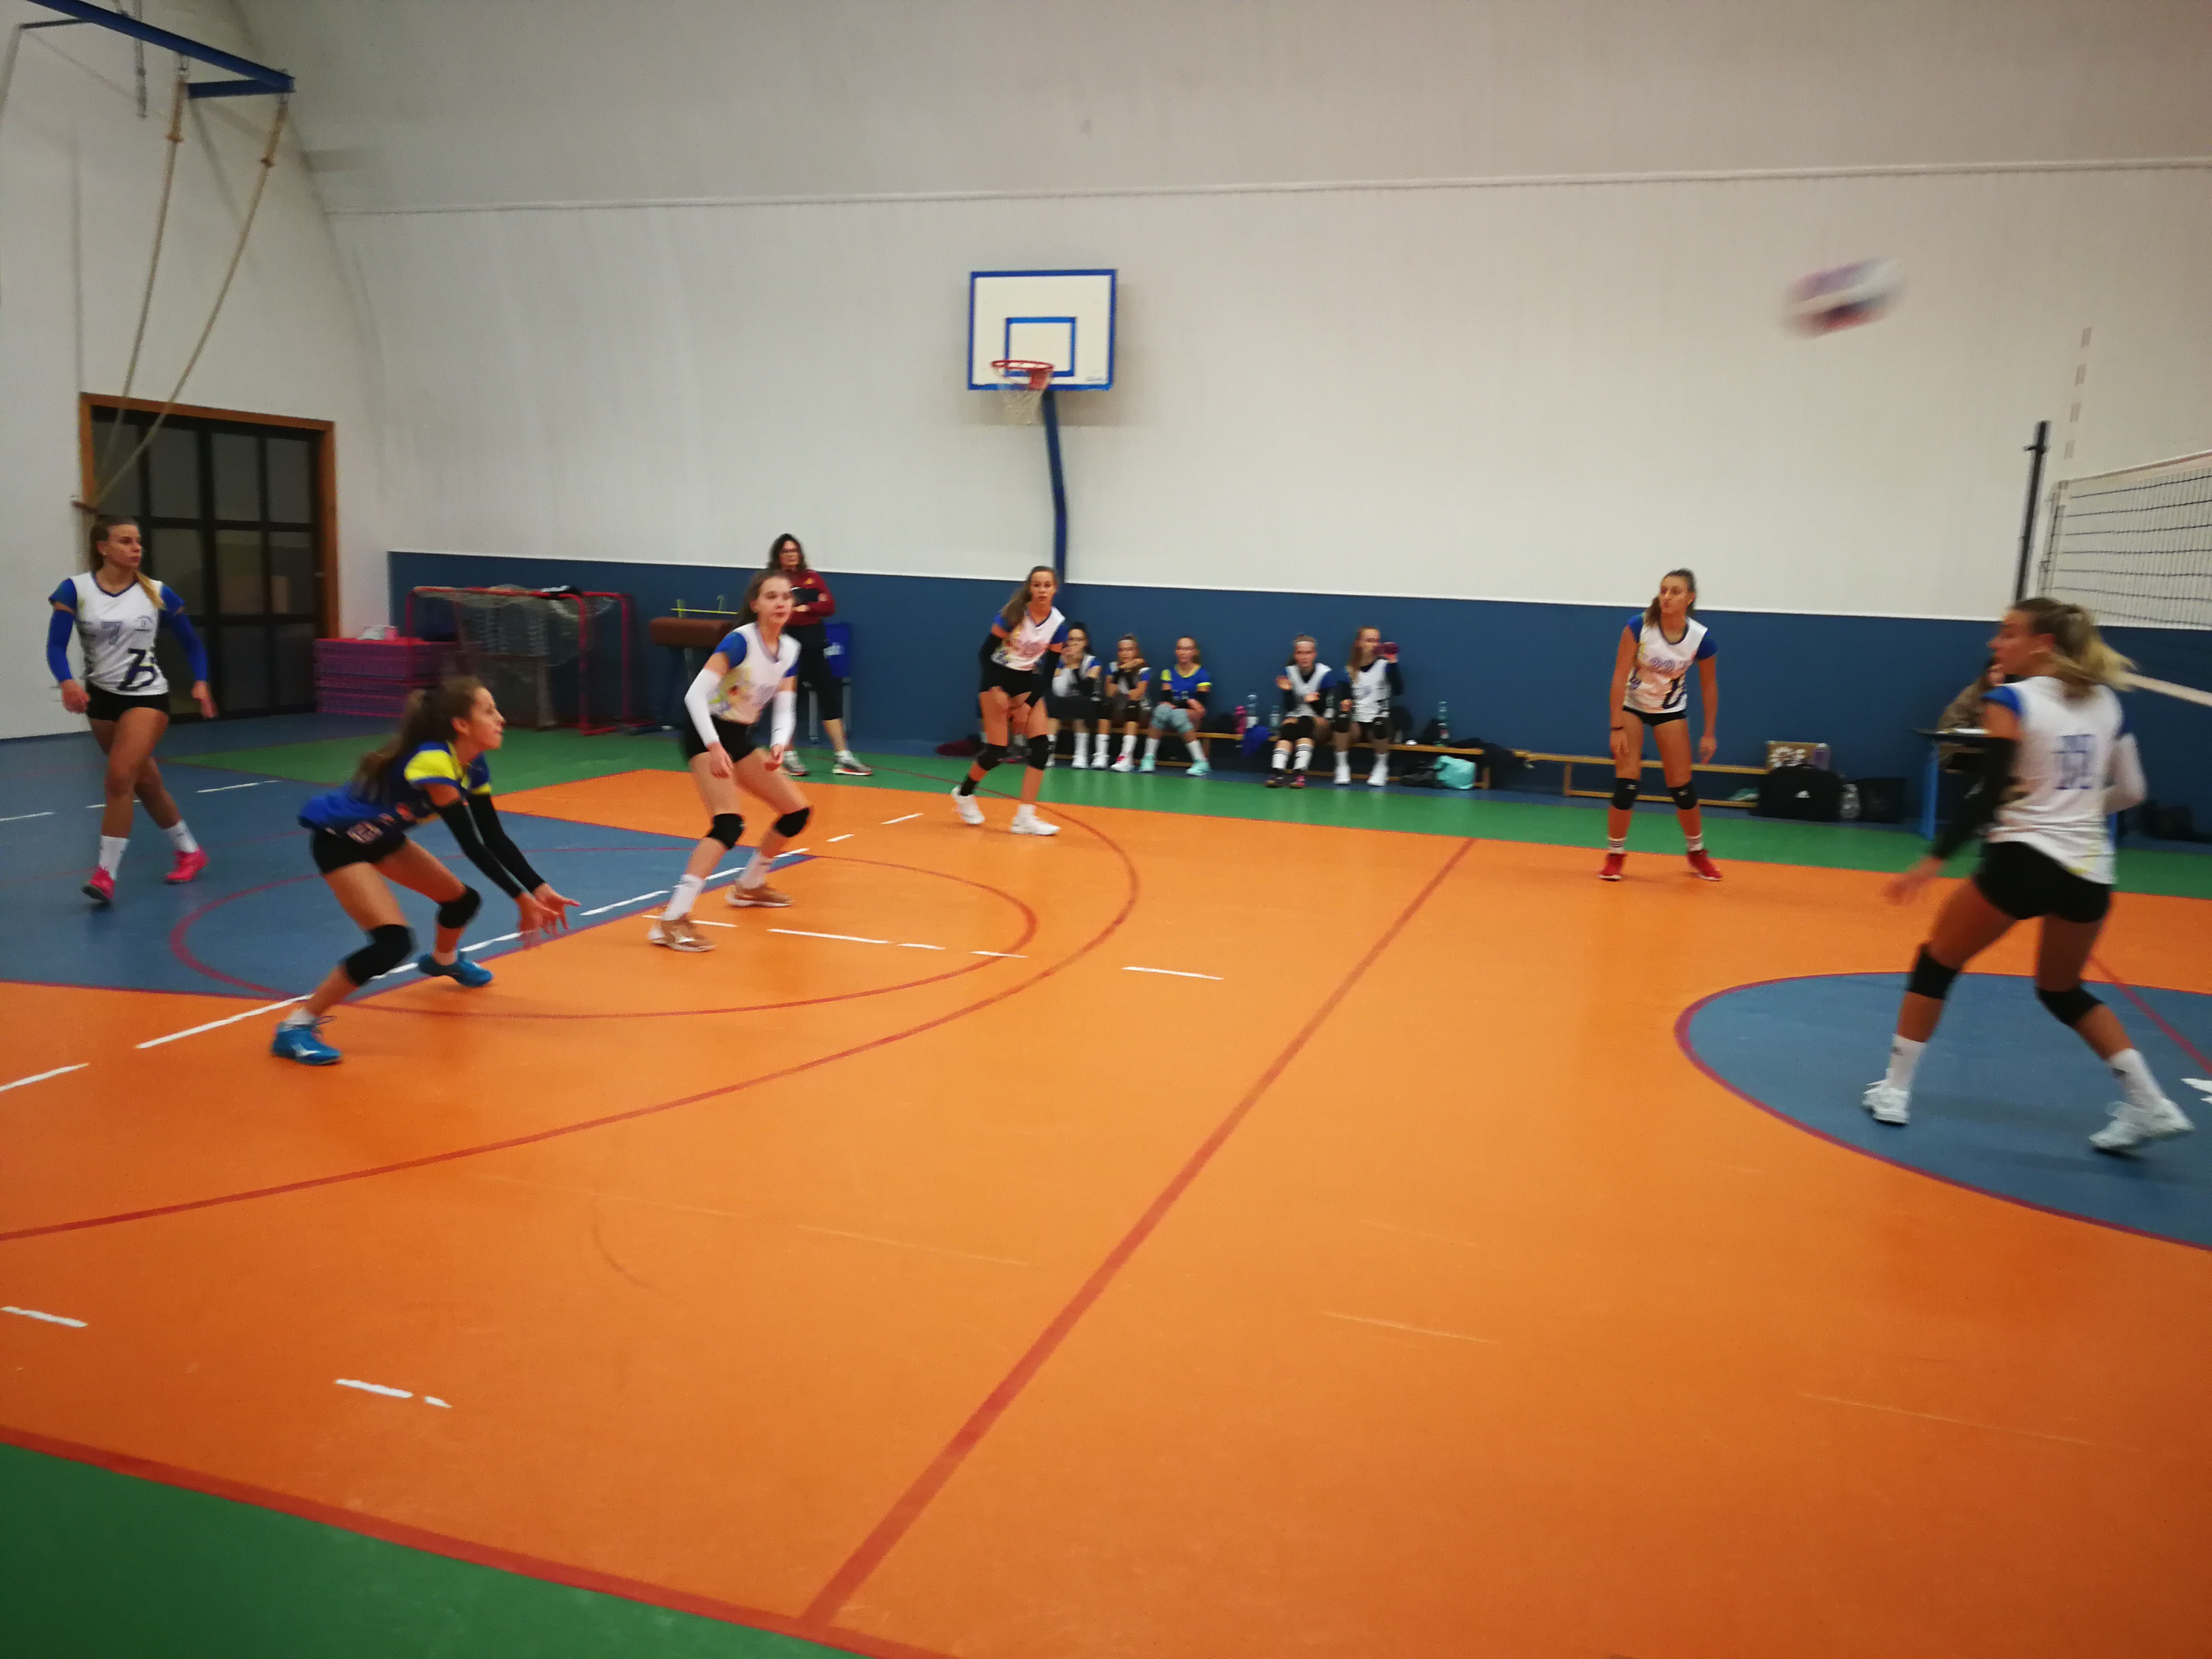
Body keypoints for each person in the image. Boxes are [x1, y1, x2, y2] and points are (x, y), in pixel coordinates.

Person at [1865, 598, 2190, 1154]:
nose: (1995, 643)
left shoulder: (2010, 700)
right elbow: (2134, 791)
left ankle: (1893, 1092)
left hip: (2024, 860)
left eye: (2008, 633)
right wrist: (2078, 811)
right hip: (2090, 872)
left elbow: (1987, 794)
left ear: (2044, 644)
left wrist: (1932, 860)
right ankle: (2149, 1103)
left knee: (1937, 963)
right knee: (2061, 989)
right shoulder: (2107, 702)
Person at [273, 678, 577, 1064]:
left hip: (382, 837)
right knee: (392, 944)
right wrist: (521, 899)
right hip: (340, 841)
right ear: (461, 725)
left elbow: (494, 837)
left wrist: (539, 888)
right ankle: (297, 1026)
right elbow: (471, 844)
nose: (501, 719)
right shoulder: (433, 762)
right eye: (489, 711)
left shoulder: (473, 765)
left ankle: (443, 960)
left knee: (462, 902)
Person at [47, 513, 216, 904]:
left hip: (147, 697)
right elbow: (56, 645)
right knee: (146, 783)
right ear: (103, 548)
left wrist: (201, 681)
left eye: (138, 541)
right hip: (101, 698)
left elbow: (192, 644)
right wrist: (67, 681)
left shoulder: (157, 592)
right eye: (125, 541)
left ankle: (105, 875)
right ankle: (190, 851)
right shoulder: (75, 590)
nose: (136, 548)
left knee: (118, 779)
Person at [650, 568, 816, 951]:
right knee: (728, 824)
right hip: (705, 732)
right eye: (771, 597)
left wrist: (779, 743)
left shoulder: (790, 650)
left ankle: (749, 885)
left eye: (786, 597)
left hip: (739, 737)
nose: (780, 603)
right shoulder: (740, 642)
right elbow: (695, 696)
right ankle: (671, 919)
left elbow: (785, 704)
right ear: (756, 604)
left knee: (796, 812)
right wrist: (713, 746)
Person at [1602, 569, 1721, 882]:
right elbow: (1619, 676)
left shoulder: (1700, 638)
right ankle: (1615, 854)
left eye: (1675, 592)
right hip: (1633, 705)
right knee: (1627, 785)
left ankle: (1697, 851)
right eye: (1663, 590)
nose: (1666, 597)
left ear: (1689, 598)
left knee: (1682, 788)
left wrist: (1709, 733)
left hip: (1669, 709)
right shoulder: (1639, 627)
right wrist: (1616, 727)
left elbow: (1709, 686)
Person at [952, 566, 1066, 835]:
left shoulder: (1058, 625)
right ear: (1030, 588)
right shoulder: (1013, 615)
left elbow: (1048, 673)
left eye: (1047, 585)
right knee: (997, 751)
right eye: (1037, 585)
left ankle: (1025, 818)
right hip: (996, 676)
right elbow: (984, 655)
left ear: (1054, 589)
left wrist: (1028, 705)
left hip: (1026, 680)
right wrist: (996, 689)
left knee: (1041, 748)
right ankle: (964, 793)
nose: (1042, 590)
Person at [765, 534, 870, 778]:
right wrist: (800, 606)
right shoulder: (772, 581)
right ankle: (786, 756)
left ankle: (843, 757)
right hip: (785, 644)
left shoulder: (812, 577)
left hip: (813, 644)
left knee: (829, 697)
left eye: (795, 550)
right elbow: (778, 612)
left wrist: (806, 606)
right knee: (788, 700)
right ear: (778, 556)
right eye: (786, 551)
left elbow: (829, 606)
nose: (792, 555)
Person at [1332, 627, 1401, 787]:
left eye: (1377, 641)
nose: (1374, 644)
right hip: (1357, 722)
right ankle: (1342, 766)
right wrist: (1345, 704)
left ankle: (1381, 767)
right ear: (1359, 643)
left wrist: (1393, 662)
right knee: (1341, 719)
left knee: (1380, 724)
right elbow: (1343, 696)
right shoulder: (1349, 670)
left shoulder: (1385, 666)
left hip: (1378, 720)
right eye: (1369, 641)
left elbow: (1399, 690)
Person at [1268, 635, 1332, 788]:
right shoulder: (1289, 672)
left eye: (1308, 653)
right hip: (1296, 716)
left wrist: (1313, 701)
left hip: (1320, 719)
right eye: (1300, 653)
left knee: (1305, 724)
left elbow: (1323, 710)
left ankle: (1299, 774)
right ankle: (1277, 772)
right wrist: (1288, 692)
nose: (1305, 657)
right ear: (1295, 655)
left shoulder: (1324, 673)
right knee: (1288, 729)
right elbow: (1290, 708)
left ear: (1315, 654)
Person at [1144, 636, 1212, 777]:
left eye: (1188, 649)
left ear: (1195, 652)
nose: (1184, 653)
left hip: (1193, 718)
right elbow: (1166, 700)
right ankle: (1149, 758)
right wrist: (1187, 700)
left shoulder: (1202, 674)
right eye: (1180, 649)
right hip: (1170, 714)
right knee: (1160, 710)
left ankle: (1201, 762)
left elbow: (1200, 706)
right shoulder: (1168, 672)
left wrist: (1181, 702)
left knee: (1178, 715)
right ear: (1176, 651)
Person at [1045, 622, 1107, 767]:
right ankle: (1048, 754)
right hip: (1066, 701)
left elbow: (1086, 690)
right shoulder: (1060, 661)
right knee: (1053, 708)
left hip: (1090, 702)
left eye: (1079, 640)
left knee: (1079, 704)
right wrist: (1067, 666)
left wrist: (1076, 667)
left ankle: (1081, 754)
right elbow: (1059, 691)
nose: (1074, 644)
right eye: (1071, 639)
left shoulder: (1093, 662)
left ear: (1086, 642)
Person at [1937, 657, 2006, 772]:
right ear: (1986, 673)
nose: (2000, 676)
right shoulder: (1974, 694)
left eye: (2004, 672)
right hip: (1957, 751)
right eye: (1995, 671)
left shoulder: (2006, 693)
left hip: (1982, 748)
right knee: (2003, 762)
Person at [1103, 634, 1151, 773]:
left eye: (1129, 650)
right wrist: (1120, 671)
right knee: (1105, 706)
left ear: (1136, 651)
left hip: (1141, 710)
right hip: (1119, 709)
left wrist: (1128, 673)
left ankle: (1126, 757)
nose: (1125, 653)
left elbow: (1136, 696)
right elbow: (1110, 693)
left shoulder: (1144, 669)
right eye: (1122, 650)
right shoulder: (1112, 667)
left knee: (1132, 707)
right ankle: (1101, 755)